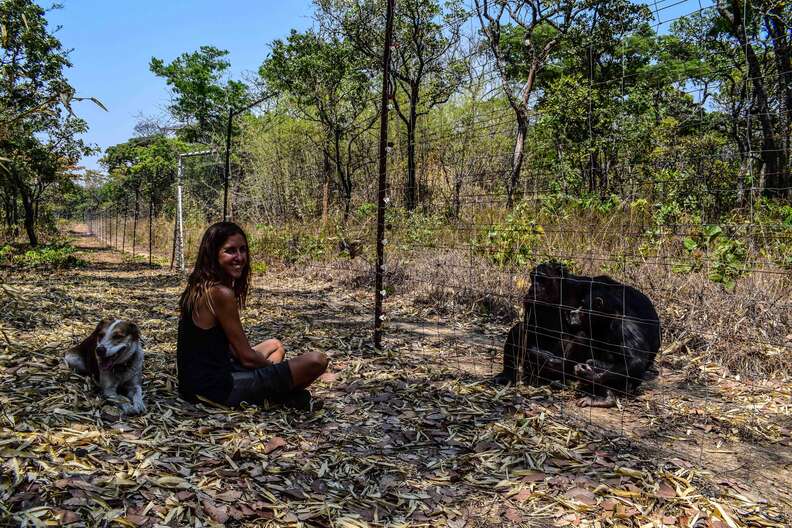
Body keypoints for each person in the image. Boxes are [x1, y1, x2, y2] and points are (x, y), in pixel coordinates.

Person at [177, 221, 328, 411]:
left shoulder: (198, 286)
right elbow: (247, 357)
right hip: (215, 390)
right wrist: (273, 370)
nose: (239, 257)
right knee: (317, 361)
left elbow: (227, 348)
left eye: (243, 250)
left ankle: (281, 394)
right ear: (213, 254)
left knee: (275, 345)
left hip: (194, 384)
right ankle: (283, 396)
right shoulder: (220, 293)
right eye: (230, 251)